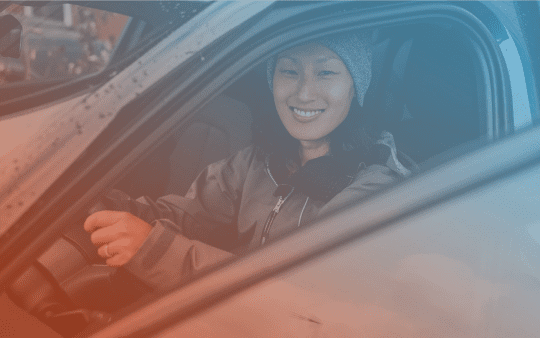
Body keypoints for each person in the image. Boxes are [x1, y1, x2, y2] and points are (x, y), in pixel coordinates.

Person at [84, 31, 416, 292]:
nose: (303, 93)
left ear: (355, 87)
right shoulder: (261, 160)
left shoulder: (377, 187)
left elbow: (292, 290)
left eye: (326, 72)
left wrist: (153, 250)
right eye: (289, 71)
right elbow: (189, 215)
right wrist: (109, 207)